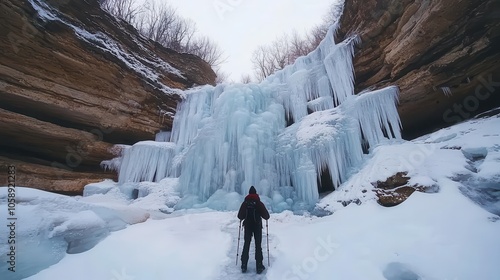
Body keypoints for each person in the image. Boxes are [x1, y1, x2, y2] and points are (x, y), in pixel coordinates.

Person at [237, 186, 270, 274]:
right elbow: (266, 216)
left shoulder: (245, 203)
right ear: (255, 193)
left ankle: (244, 265)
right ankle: (259, 266)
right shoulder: (259, 203)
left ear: (249, 193)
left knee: (246, 244)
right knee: (258, 245)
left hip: (248, 226)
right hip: (257, 226)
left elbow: (240, 216)